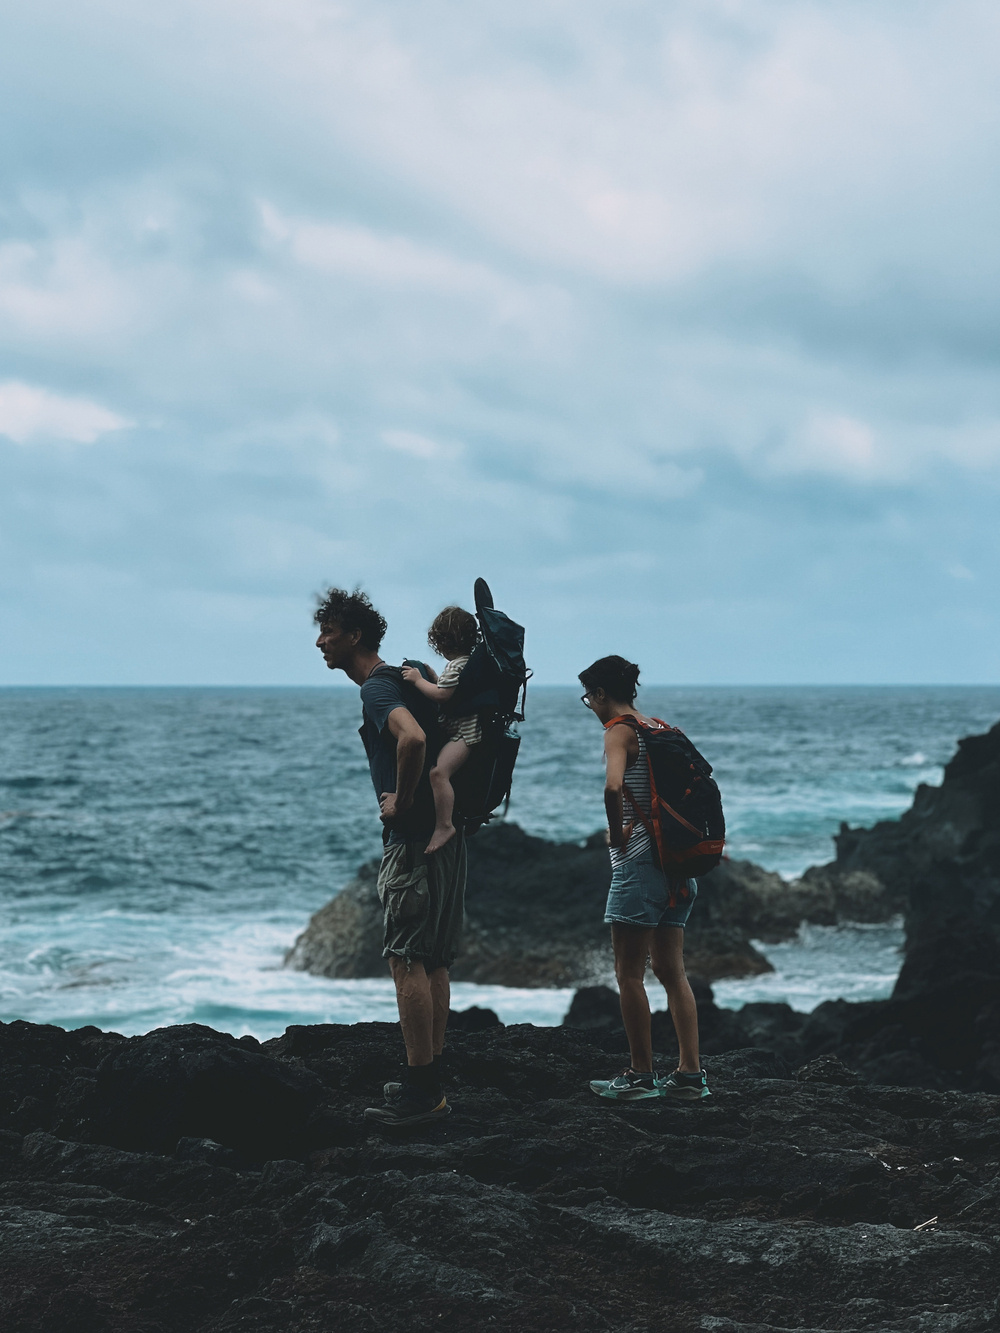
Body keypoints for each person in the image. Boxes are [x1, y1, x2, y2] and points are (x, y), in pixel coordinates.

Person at [315, 586, 466, 1127]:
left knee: (405, 959)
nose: (320, 642)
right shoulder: (412, 672)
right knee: (434, 959)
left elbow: (412, 740)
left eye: (328, 632)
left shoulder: (378, 692)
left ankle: (420, 1092)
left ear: (354, 635)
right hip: (449, 836)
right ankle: (431, 1080)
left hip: (412, 842)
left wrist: (399, 802)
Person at [579, 655, 711, 1101]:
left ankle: (639, 1076)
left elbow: (613, 787)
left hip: (639, 868)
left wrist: (616, 834)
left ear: (600, 694)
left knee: (629, 974)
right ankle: (691, 1076)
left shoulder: (619, 731)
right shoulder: (661, 728)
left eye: (588, 698)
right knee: (674, 973)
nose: (590, 706)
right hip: (679, 867)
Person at [401, 606, 481, 856]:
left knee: (438, 773)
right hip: (464, 730)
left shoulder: (458, 666)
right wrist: (436, 679)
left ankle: (444, 826)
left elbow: (443, 696)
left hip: (465, 735)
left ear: (443, 641)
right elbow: (453, 692)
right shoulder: (466, 664)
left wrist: (418, 680)